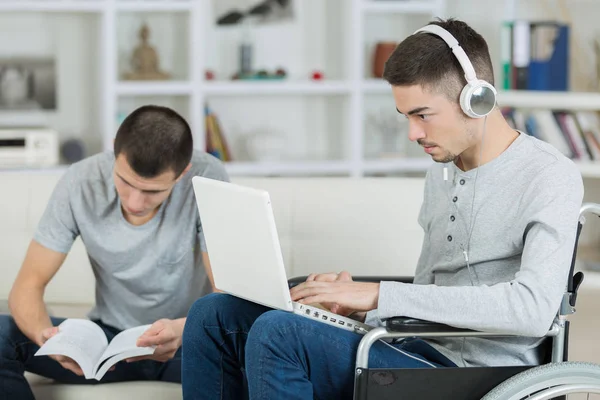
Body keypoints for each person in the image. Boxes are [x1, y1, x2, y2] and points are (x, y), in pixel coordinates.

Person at [180, 18, 584, 400]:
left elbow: (532, 310)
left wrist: (378, 295)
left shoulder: (549, 176)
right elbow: (428, 294)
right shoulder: (442, 171)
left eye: (422, 115)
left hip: (477, 375)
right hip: (410, 348)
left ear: (477, 99)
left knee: (278, 333)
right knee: (214, 315)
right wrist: (345, 310)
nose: (413, 133)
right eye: (406, 117)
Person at [0, 105, 229, 399]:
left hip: (189, 339)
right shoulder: (79, 181)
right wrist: (46, 337)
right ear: (114, 153)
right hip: (109, 343)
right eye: (125, 181)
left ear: (183, 172)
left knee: (266, 348)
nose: (134, 202)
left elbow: (227, 293)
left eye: (152, 191)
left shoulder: (208, 177)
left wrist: (185, 330)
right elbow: (28, 286)